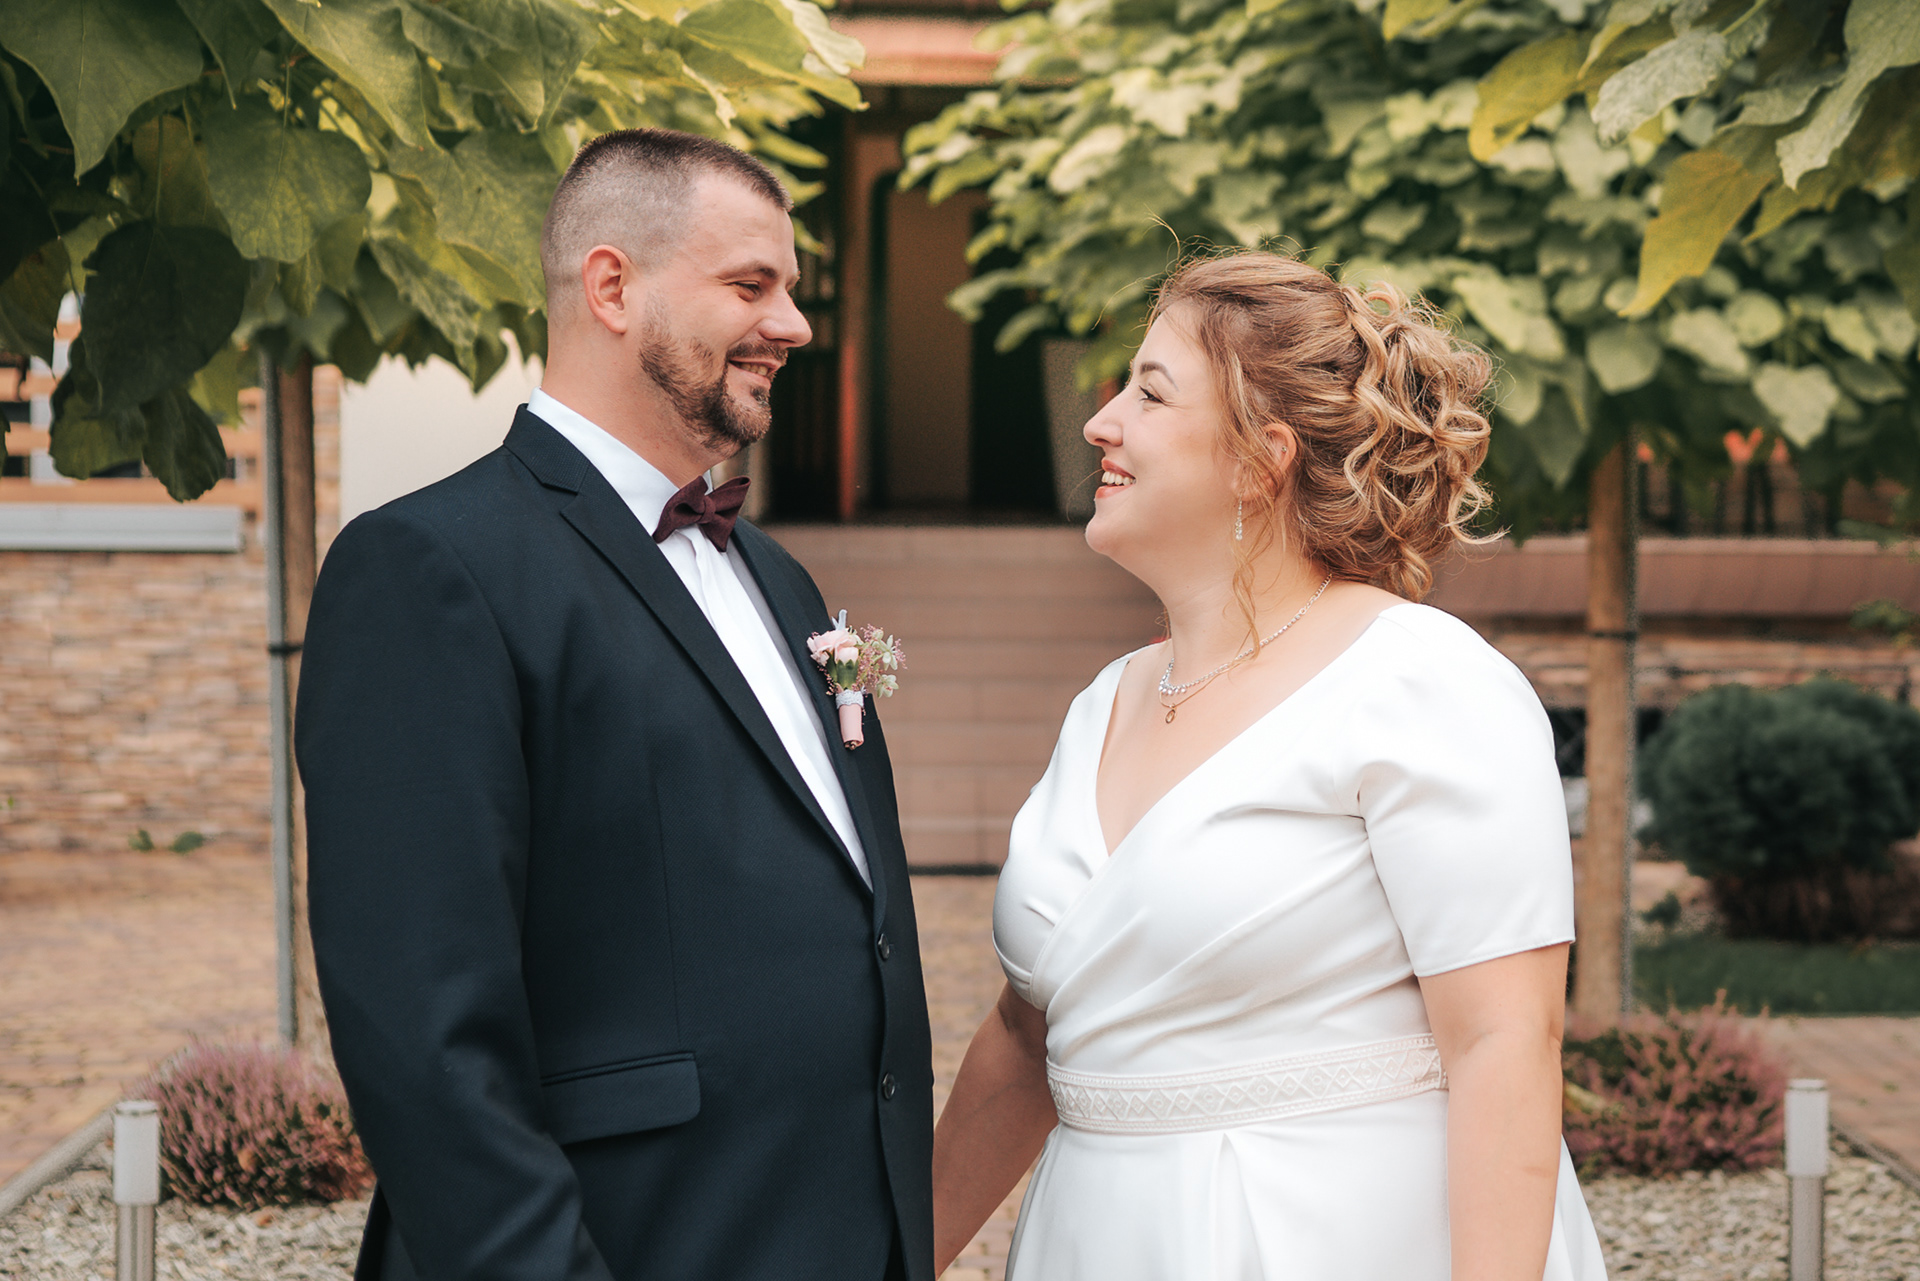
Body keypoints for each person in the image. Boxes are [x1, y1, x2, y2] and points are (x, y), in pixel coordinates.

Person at [295, 129, 933, 1281]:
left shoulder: (781, 580)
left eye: (791, 289)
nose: (794, 324)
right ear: (612, 288)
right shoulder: (431, 567)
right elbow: (425, 1036)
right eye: (753, 285)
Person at [930, 251, 1608, 1279]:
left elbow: (1503, 1046)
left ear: (1261, 459)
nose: (1100, 423)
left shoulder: (1421, 683)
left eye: (1150, 394)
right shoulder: (1106, 703)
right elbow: (1030, 1038)